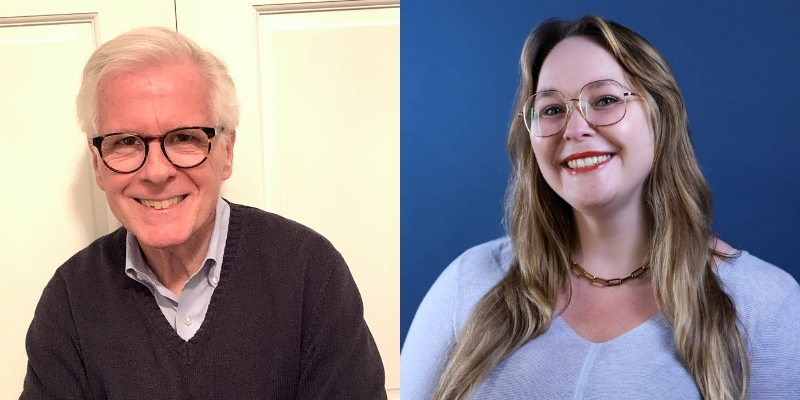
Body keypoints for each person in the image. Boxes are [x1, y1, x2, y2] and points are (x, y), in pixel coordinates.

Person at [401, 15, 800, 400]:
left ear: (661, 119)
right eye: (553, 109)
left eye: (605, 100)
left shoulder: (766, 306)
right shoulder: (466, 283)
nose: (575, 129)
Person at [21, 26, 385, 399]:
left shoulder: (309, 273)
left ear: (226, 152)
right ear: (98, 164)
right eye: (127, 142)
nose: (157, 172)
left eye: (184, 138)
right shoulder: (70, 300)